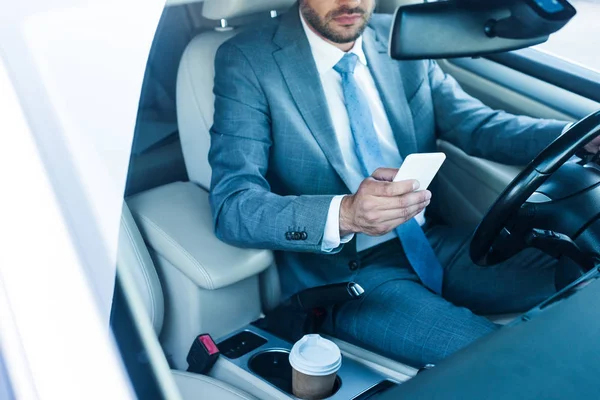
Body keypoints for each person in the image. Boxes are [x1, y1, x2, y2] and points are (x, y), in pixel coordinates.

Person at [208, 0, 600, 367]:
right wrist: (347, 214)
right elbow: (233, 206)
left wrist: (581, 134)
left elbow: (473, 123)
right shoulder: (248, 59)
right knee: (507, 363)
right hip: (350, 273)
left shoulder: (397, 37)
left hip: (433, 243)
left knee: (589, 275)